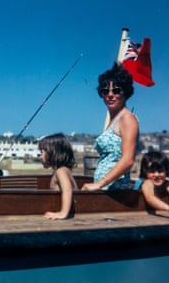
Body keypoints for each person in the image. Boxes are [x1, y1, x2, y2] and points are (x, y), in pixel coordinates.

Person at [82, 63, 139, 191]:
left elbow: (128, 160)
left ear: (126, 92)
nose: (110, 94)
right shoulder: (113, 120)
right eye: (105, 91)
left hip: (116, 192)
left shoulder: (127, 118)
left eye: (116, 90)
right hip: (105, 190)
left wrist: (99, 184)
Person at [39, 133, 78, 220]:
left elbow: (67, 189)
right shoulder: (63, 170)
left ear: (52, 152)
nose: (40, 156)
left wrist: (63, 213)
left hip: (67, 213)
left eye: (42, 152)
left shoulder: (61, 171)